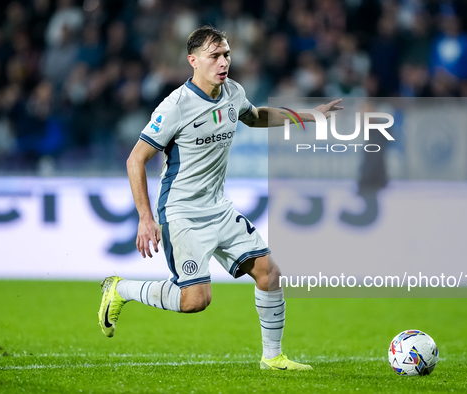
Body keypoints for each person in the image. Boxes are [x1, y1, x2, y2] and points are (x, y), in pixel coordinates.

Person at [97, 25, 342, 370]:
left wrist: (308, 116)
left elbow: (255, 118)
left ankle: (272, 358)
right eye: (215, 56)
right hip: (181, 212)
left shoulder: (233, 92)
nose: (224, 62)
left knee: (269, 273)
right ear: (193, 61)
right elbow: (135, 159)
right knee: (196, 300)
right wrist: (145, 217)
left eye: (226, 54)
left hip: (219, 209)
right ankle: (120, 289)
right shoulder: (176, 106)